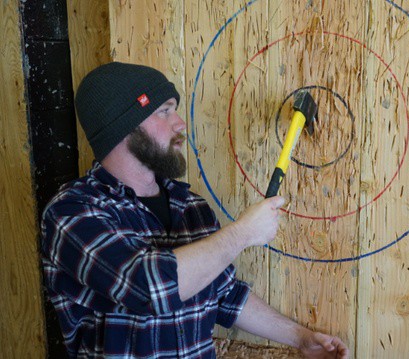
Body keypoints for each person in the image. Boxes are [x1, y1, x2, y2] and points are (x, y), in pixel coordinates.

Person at [41, 62, 349, 358]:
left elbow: (226, 296)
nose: (180, 123)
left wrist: (302, 338)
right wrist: (242, 234)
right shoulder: (73, 213)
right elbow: (149, 289)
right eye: (164, 111)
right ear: (123, 126)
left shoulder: (191, 207)